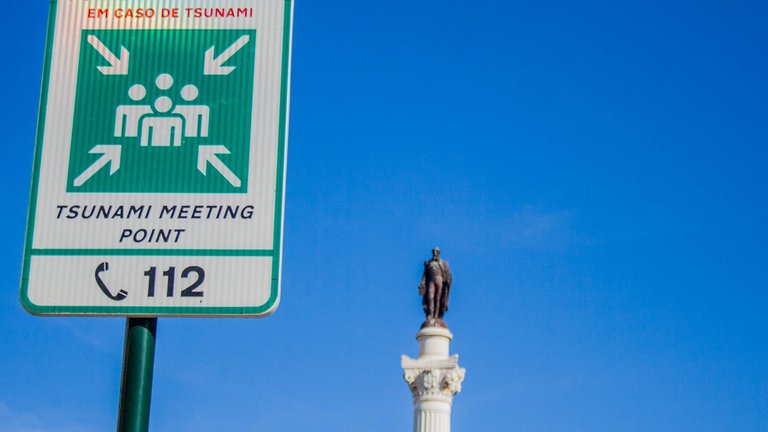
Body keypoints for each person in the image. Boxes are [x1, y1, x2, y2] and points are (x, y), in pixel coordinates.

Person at [419, 248, 452, 323]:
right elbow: (425, 274)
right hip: (431, 280)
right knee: (430, 296)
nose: (435, 253)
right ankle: (430, 314)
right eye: (434, 251)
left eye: (436, 252)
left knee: (438, 297)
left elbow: (448, 275)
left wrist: (447, 280)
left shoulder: (443, 263)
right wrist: (423, 282)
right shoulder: (428, 263)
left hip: (439, 279)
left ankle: (436, 314)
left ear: (439, 253)